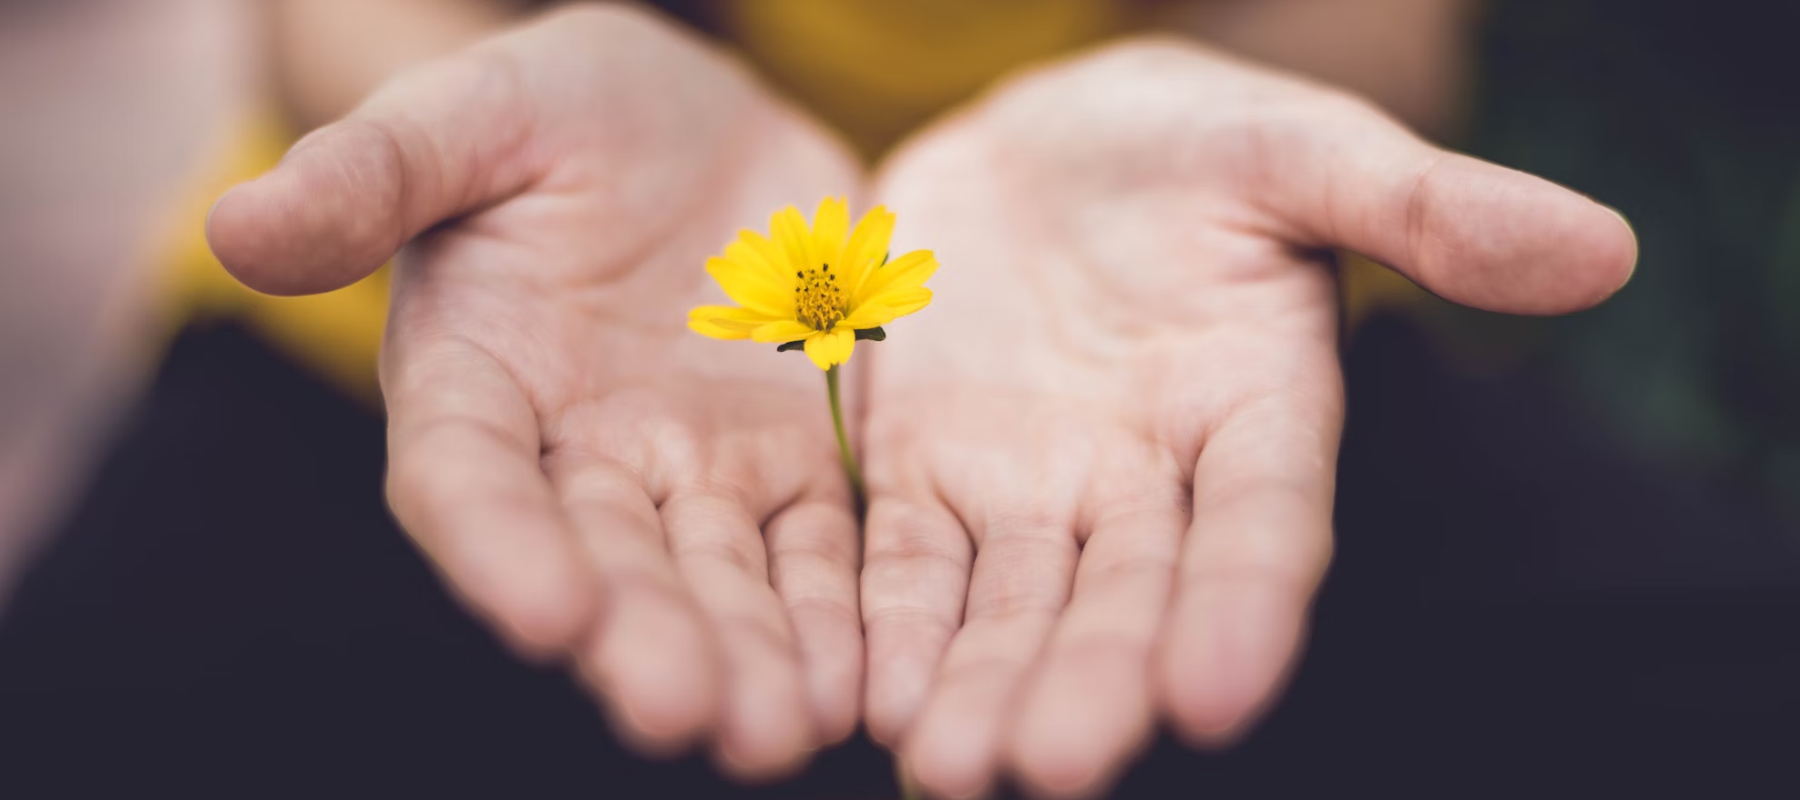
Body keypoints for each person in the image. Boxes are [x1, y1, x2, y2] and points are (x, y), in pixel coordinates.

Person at [198, 2, 1632, 798]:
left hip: (1183, 344)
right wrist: (451, 110)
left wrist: (1231, 98)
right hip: (508, 333)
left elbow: (1370, 23)